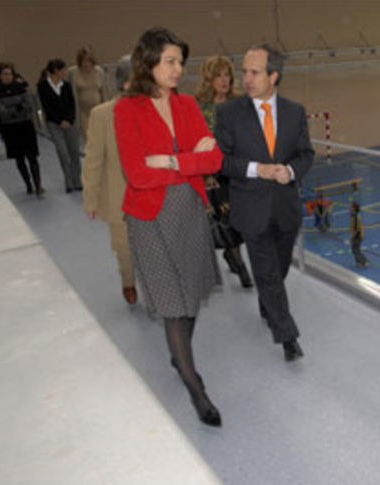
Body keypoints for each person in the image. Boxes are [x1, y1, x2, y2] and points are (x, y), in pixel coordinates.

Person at [114, 27, 223, 426]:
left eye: (181, 62)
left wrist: (171, 160)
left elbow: (214, 161)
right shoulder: (126, 109)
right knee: (173, 304)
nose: (178, 69)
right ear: (149, 63)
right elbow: (138, 174)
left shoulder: (189, 105)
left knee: (190, 294)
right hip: (149, 218)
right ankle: (195, 385)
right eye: (170, 62)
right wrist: (188, 157)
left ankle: (180, 357)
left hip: (189, 210)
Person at [215, 44, 314, 362]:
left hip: (285, 210)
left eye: (254, 72)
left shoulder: (295, 112)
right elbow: (221, 162)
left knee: (278, 269)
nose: (246, 78)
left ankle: (267, 302)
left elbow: (305, 154)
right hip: (251, 209)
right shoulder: (229, 114)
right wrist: (258, 169)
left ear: (274, 76)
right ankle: (288, 337)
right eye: (244, 71)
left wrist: (289, 171)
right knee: (268, 274)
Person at [82, 55, 137, 305]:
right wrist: (90, 199)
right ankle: (128, 281)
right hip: (119, 197)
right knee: (124, 249)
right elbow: (93, 160)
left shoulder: (156, 110)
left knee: (154, 251)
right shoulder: (102, 115)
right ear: (126, 82)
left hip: (153, 194)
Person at [194, 55, 253, 288]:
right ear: (209, 79)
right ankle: (237, 261)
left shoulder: (241, 102)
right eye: (218, 75)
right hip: (212, 173)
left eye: (226, 74)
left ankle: (233, 255)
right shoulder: (199, 106)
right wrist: (205, 173)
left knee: (238, 219)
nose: (223, 80)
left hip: (236, 169)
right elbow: (195, 141)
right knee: (222, 219)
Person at [0, 62, 44, 196]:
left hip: (25, 126)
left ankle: (38, 184)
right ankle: (28, 184)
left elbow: (29, 106)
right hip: (10, 129)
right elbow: (1, 112)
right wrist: (18, 107)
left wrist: (12, 110)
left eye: (10, 74)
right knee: (19, 159)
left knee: (32, 157)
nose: (8, 77)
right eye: (5, 74)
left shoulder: (21, 88)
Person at [37, 58, 82, 192]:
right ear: (56, 70)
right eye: (63, 69)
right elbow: (47, 107)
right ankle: (68, 182)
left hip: (70, 123)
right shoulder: (43, 87)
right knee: (62, 152)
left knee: (74, 152)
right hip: (54, 124)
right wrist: (59, 121)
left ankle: (77, 181)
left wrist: (69, 119)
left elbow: (71, 104)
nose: (65, 72)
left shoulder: (66, 85)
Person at [68, 46, 105, 145]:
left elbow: (103, 92)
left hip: (99, 111)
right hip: (83, 113)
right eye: (84, 61)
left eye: (89, 61)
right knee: (90, 141)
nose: (86, 64)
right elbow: (73, 95)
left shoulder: (99, 71)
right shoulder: (73, 72)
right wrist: (75, 117)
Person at [350, 201, 369, 268]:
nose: (350, 208)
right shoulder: (353, 216)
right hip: (356, 235)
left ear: (354, 208)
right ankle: (358, 262)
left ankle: (364, 261)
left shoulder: (356, 217)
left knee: (356, 250)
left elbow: (357, 228)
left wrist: (353, 236)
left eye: (352, 207)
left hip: (357, 236)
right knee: (354, 250)